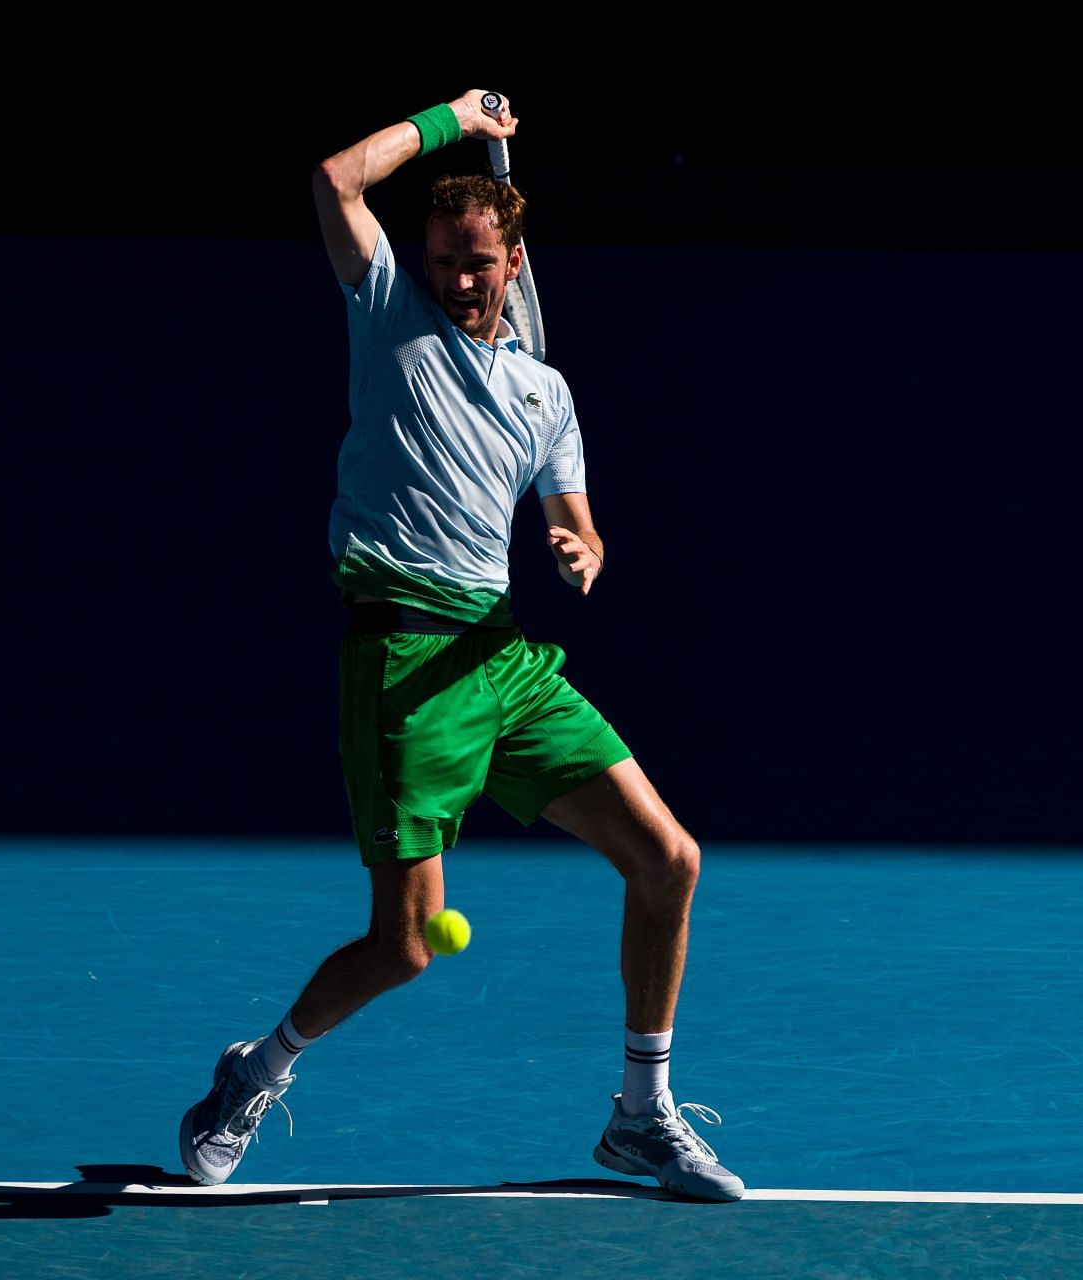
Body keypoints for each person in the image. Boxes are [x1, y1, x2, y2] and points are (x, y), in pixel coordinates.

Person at [177, 90, 744, 1201]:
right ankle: (258, 1066)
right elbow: (337, 178)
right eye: (441, 255)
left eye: (477, 260)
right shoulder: (389, 312)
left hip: (503, 659)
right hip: (401, 665)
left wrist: (579, 547)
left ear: (512, 256)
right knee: (404, 946)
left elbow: (574, 516)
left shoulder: (544, 387)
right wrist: (453, 114)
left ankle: (641, 1112)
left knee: (668, 859)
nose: (457, 275)